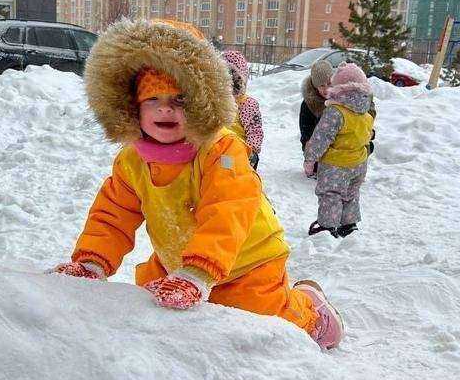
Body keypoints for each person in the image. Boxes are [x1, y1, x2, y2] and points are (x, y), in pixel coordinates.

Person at [53, 18, 343, 350]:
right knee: (149, 298)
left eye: (179, 100)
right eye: (152, 99)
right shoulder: (132, 161)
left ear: (200, 102)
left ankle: (311, 312)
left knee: (259, 314)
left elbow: (227, 210)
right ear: (131, 107)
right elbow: (113, 215)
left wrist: (198, 272)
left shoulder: (221, 151)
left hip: (247, 261)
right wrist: (92, 262)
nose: (165, 108)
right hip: (180, 261)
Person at [303, 63, 374, 238]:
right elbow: (367, 137)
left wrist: (310, 159)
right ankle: (349, 224)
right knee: (351, 193)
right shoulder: (366, 113)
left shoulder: (335, 112)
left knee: (331, 194)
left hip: (335, 165)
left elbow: (320, 138)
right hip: (359, 164)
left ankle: (327, 227)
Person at [221, 49, 263, 170]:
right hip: (217, 151)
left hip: (240, 153)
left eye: (232, 80)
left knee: (231, 174)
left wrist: (251, 152)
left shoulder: (246, 104)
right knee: (221, 175)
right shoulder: (216, 101)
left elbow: (254, 130)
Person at [299, 59, 333, 151]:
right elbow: (306, 136)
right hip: (319, 152)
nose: (326, 89)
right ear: (315, 86)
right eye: (322, 86)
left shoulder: (342, 98)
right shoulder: (308, 104)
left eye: (329, 83)